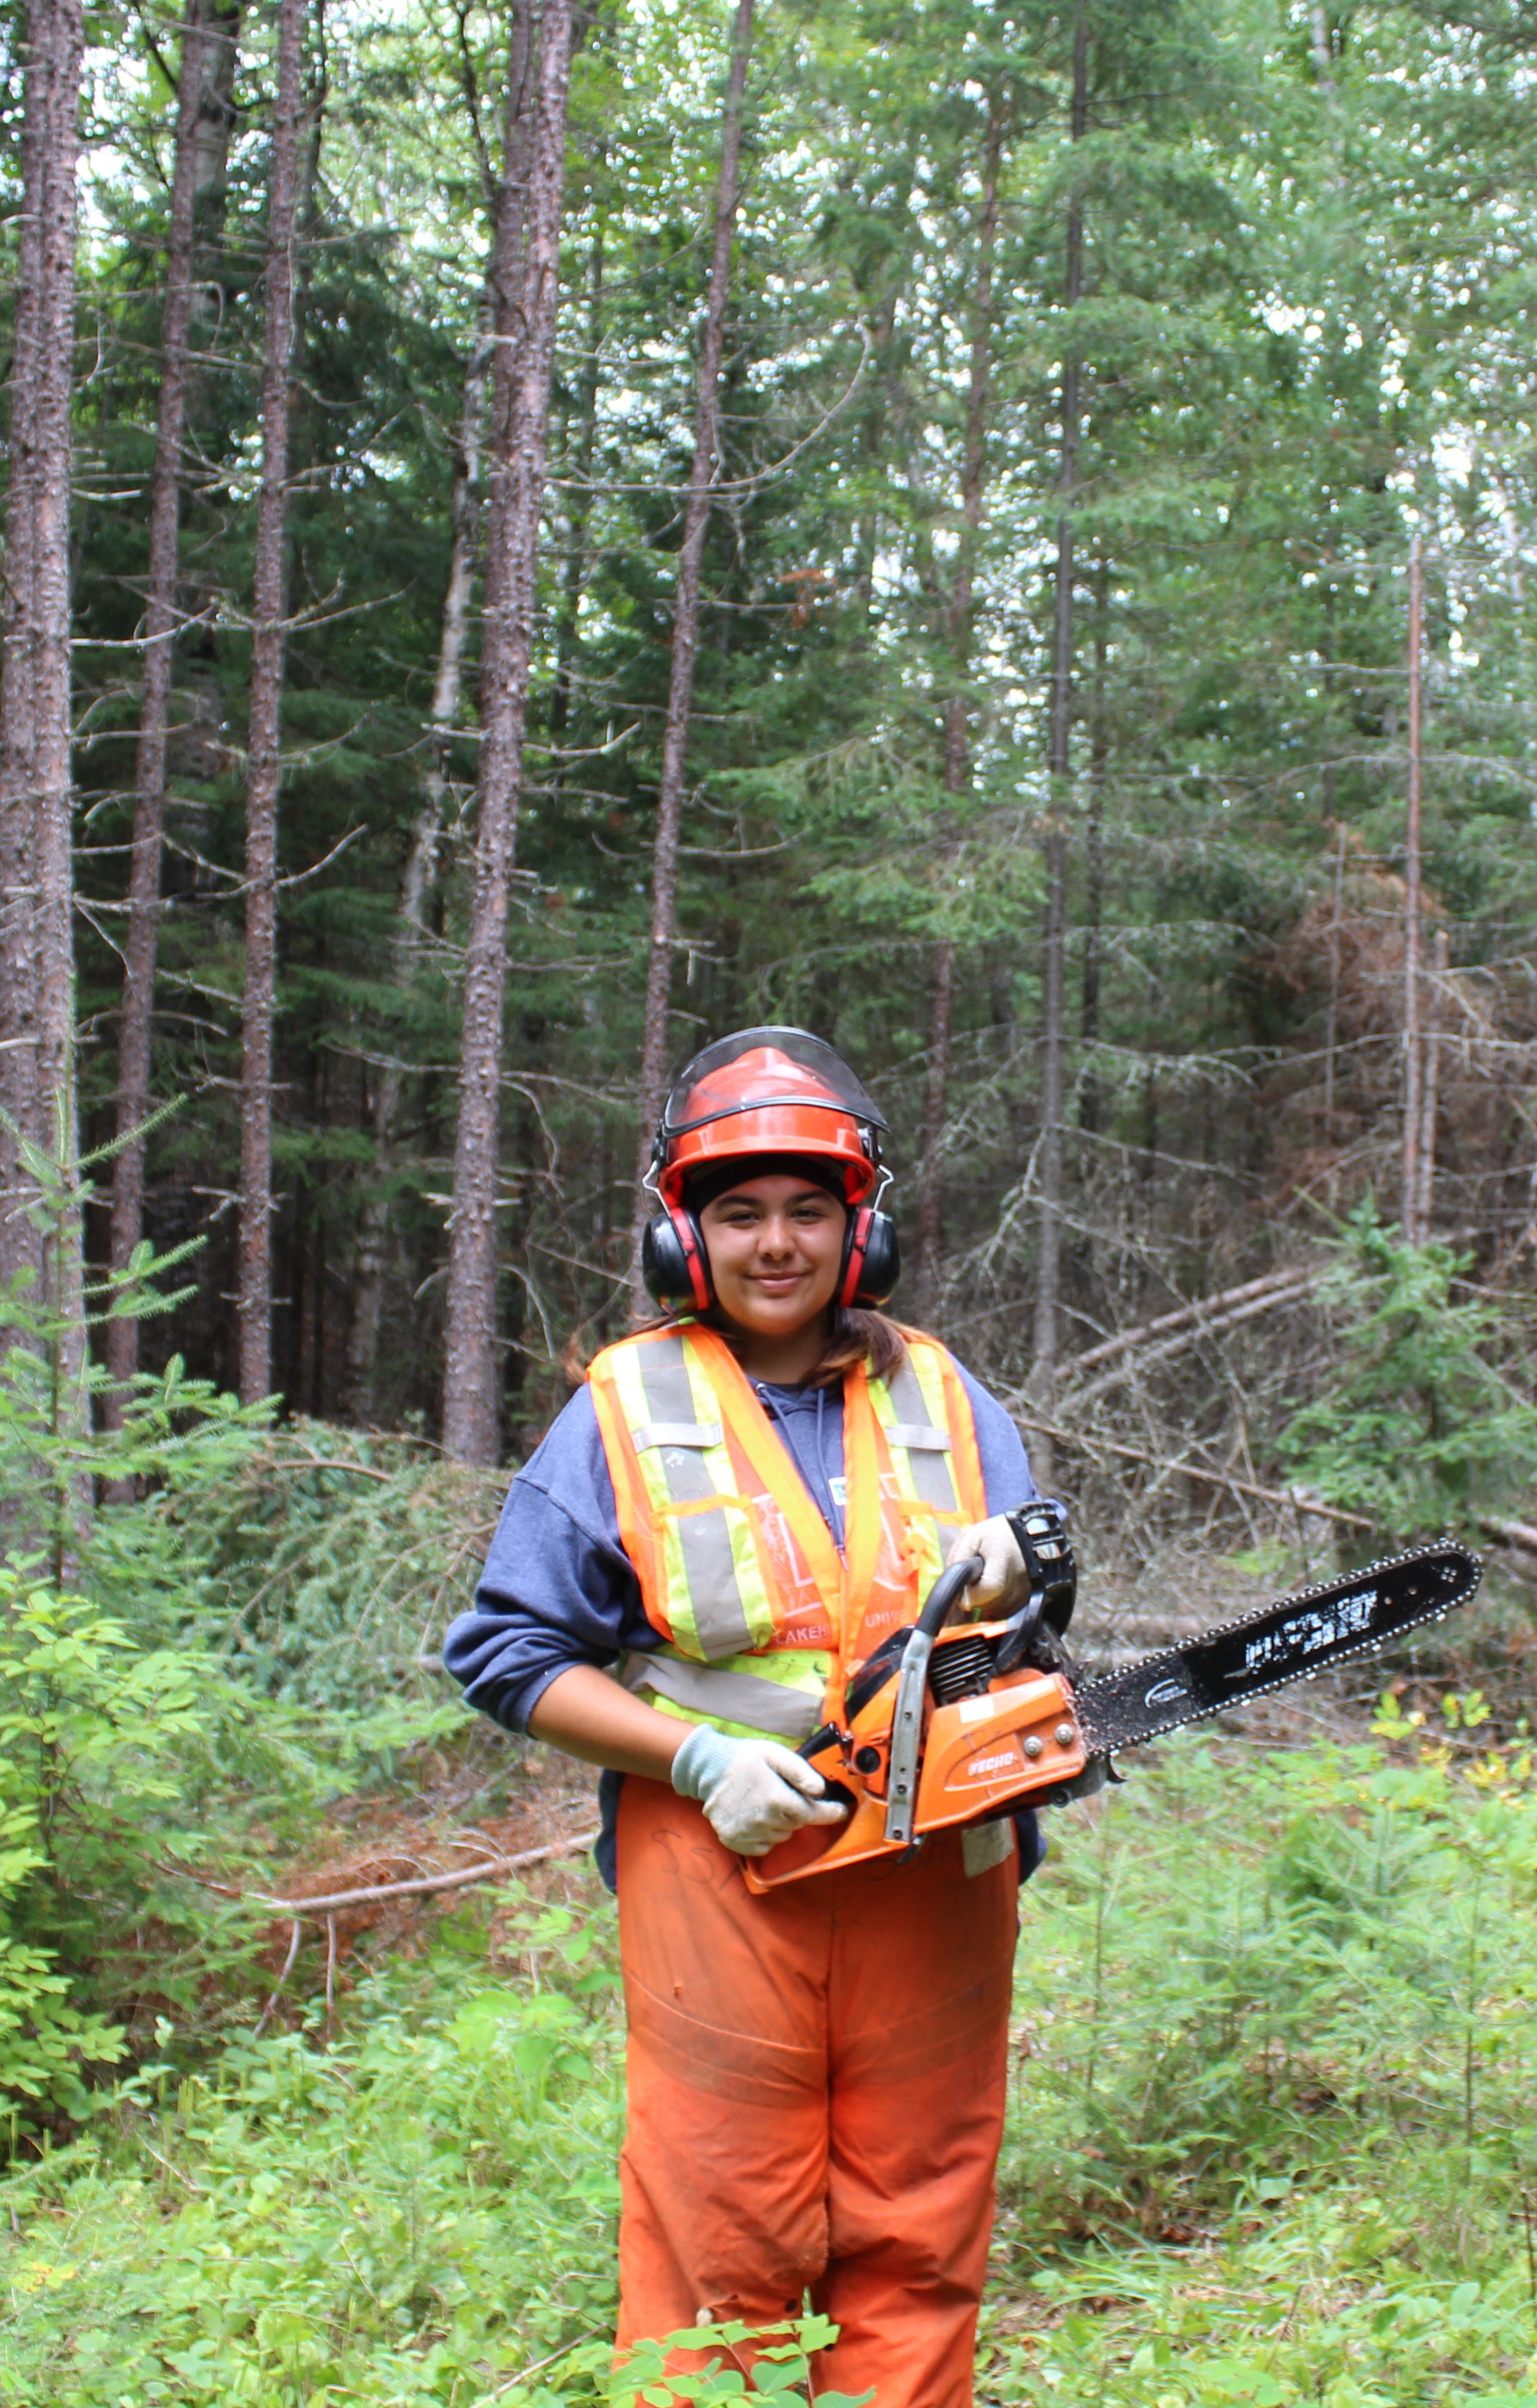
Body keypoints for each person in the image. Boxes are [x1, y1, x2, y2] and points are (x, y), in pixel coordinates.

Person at [444, 1027, 1046, 2408]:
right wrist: (697, 1755)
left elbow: (1020, 1636)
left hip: (933, 1872)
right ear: (686, 1237)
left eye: (808, 1211)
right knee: (723, 2234)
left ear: (861, 1228)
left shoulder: (948, 1397)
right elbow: (509, 1650)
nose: (777, 1243)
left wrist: (1027, 1584)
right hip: (724, 1872)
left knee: (925, 2229)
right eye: (740, 1214)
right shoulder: (628, 1406)